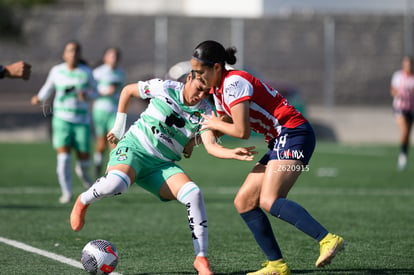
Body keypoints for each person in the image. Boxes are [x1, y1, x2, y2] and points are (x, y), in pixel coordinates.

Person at [70, 72, 257, 275]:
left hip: (161, 165)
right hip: (134, 149)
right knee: (117, 184)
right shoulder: (165, 88)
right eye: (198, 88)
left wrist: (231, 152)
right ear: (189, 79)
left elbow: (211, 146)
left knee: (193, 193)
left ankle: (201, 259)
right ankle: (83, 200)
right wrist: (118, 127)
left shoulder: (206, 113)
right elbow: (127, 91)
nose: (201, 95)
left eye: (205, 92)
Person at [190, 40, 345, 275]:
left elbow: (241, 131)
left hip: (292, 132)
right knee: (244, 202)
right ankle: (277, 265)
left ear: (217, 68)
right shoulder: (218, 90)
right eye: (194, 72)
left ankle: (327, 239)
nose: (197, 77)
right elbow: (226, 125)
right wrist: (195, 140)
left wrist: (212, 124)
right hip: (279, 139)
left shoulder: (233, 82)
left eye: (201, 72)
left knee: (269, 200)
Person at [31, 40, 97, 204]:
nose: (73, 53)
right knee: (64, 158)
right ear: (64, 54)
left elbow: (96, 92)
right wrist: (39, 98)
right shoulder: (57, 71)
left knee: (84, 161)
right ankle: (66, 192)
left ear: (80, 54)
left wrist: (87, 96)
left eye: (76, 51)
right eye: (70, 50)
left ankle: (83, 173)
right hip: (61, 120)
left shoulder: (86, 72)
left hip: (81, 120)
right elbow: (48, 87)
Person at [92, 47, 126, 176]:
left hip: (115, 112)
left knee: (114, 142)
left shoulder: (121, 73)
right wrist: (106, 91)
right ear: (105, 57)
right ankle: (98, 165)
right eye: (111, 56)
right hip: (100, 111)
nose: (114, 58)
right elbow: (92, 91)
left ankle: (112, 172)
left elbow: (123, 91)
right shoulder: (97, 73)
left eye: (116, 56)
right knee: (101, 143)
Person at [390, 55, 414, 171]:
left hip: (411, 108)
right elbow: (393, 90)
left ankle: (403, 155)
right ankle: (402, 158)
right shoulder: (398, 76)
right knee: (404, 131)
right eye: (406, 63)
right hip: (400, 108)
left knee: (408, 135)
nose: (408, 65)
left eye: (409, 63)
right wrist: (400, 93)